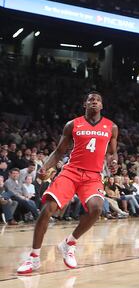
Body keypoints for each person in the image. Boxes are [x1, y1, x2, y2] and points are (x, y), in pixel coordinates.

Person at [17, 92, 118, 274]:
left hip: (93, 175)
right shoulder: (73, 124)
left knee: (97, 208)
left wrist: (113, 162)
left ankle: (69, 243)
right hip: (71, 172)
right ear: (84, 104)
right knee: (47, 209)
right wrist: (45, 167)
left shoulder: (111, 127)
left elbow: (112, 152)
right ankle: (34, 258)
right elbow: (58, 151)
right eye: (90, 99)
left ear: (102, 106)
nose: (94, 102)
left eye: (98, 100)